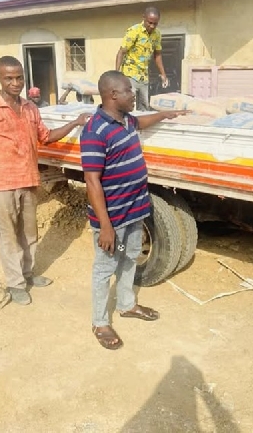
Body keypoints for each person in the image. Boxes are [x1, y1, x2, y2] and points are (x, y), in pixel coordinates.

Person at [80, 70, 188, 350]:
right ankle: (100, 322)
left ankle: (127, 305)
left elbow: (141, 121)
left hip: (134, 209)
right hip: (112, 217)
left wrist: (163, 115)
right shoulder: (94, 131)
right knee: (105, 268)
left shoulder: (125, 120)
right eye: (128, 91)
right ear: (113, 94)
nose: (133, 95)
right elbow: (92, 182)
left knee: (129, 258)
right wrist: (105, 226)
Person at [0, 56, 90, 306]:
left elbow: (46, 137)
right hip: (2, 183)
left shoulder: (30, 108)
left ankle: (28, 274)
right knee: (9, 236)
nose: (15, 83)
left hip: (28, 180)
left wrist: (74, 122)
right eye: (9, 78)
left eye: (19, 78)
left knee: (29, 232)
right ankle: (15, 284)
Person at [115, 6, 168, 112]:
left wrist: (163, 74)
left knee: (144, 107)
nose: (152, 26)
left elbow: (157, 54)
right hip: (130, 75)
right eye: (150, 22)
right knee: (130, 106)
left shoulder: (157, 34)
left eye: (155, 23)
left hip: (144, 76)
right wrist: (116, 74)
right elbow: (121, 52)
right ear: (144, 18)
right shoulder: (134, 31)